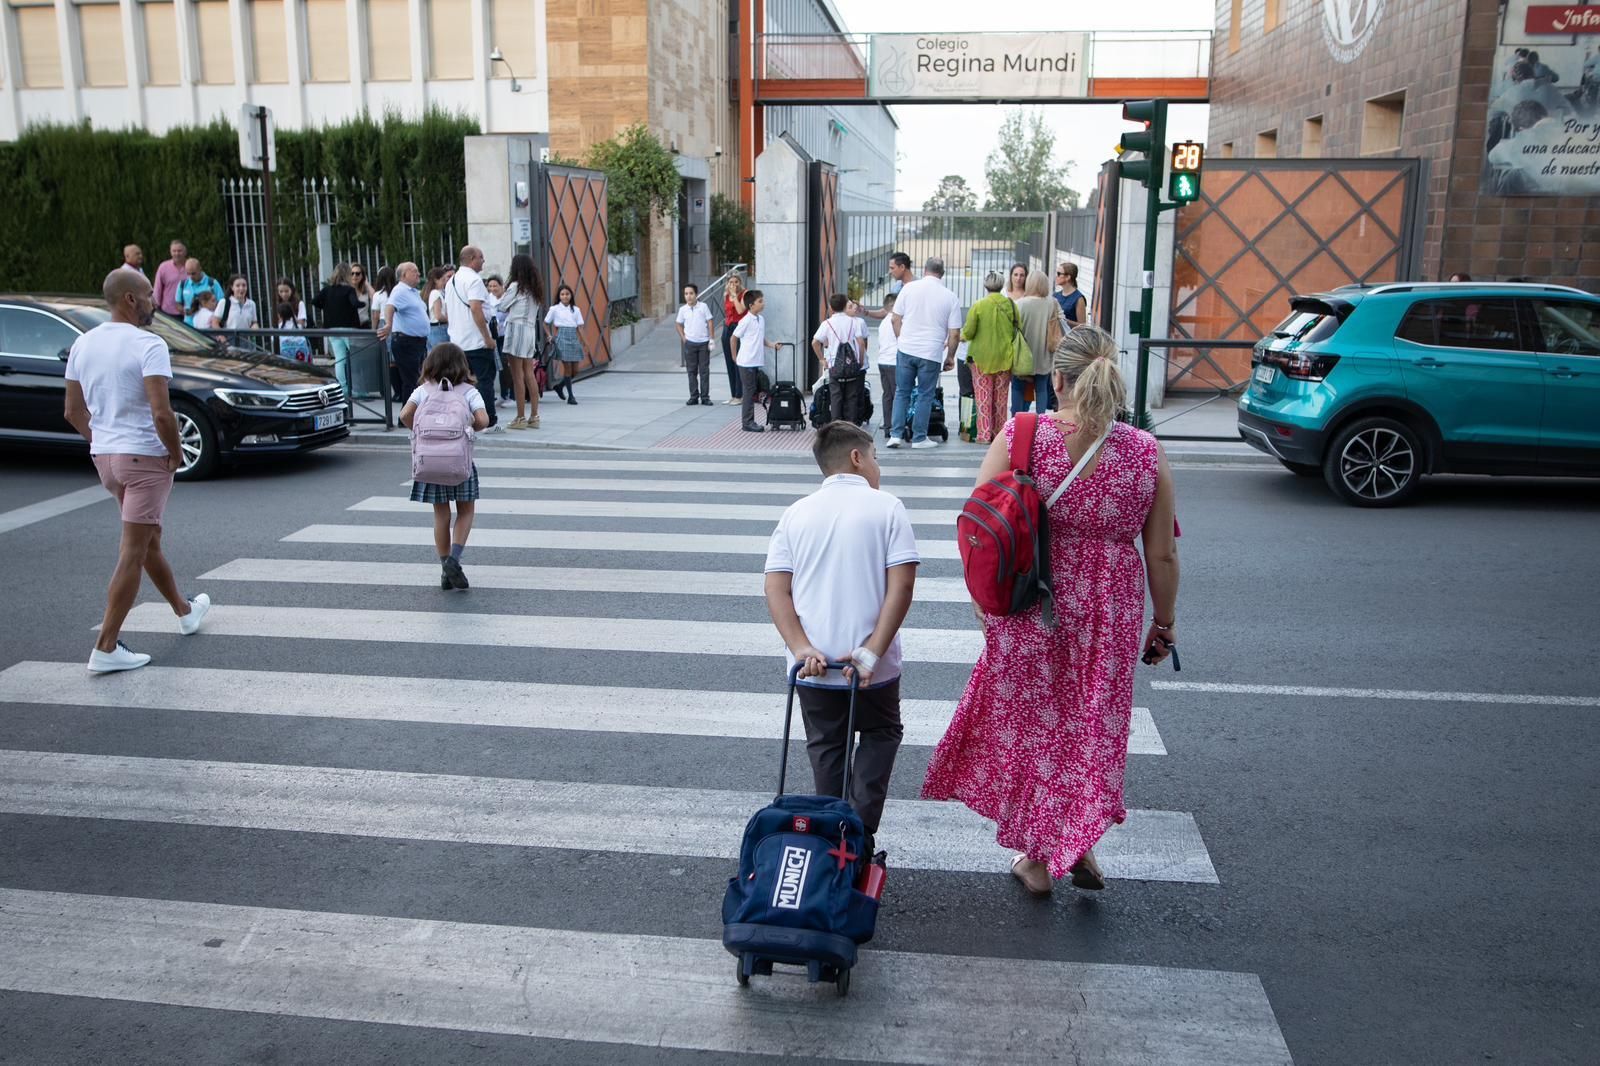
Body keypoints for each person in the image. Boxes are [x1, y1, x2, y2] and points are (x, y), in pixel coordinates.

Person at [922, 324, 1180, 896]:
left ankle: (1039, 859)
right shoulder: (1145, 452)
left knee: (1037, 726)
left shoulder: (1023, 433)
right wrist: (1164, 624)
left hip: (1030, 602)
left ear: (1057, 379)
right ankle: (1077, 839)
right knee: (1091, 725)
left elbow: (978, 526)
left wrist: (982, 603)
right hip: (1110, 610)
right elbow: (1160, 553)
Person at [764, 420, 919, 856]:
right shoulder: (887, 507)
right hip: (872, 670)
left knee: (827, 745)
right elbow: (901, 588)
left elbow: (777, 588)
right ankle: (859, 831)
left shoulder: (795, 513)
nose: (877, 467)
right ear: (857, 457)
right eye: (875, 457)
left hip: (812, 669)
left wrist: (801, 647)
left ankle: (830, 832)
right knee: (881, 731)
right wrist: (870, 651)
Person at [62, 269, 210, 674]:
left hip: (106, 459)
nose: (155, 302)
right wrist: (176, 452)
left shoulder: (83, 343)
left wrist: (104, 439)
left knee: (147, 541)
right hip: (144, 458)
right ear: (129, 299)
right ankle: (105, 646)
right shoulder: (149, 344)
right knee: (133, 550)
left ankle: (184, 611)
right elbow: (163, 413)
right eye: (148, 294)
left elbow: (73, 412)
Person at [399, 343, 491, 591]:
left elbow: (405, 415)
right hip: (459, 463)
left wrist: (421, 432)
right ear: (462, 365)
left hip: (430, 462)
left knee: (441, 515)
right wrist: (468, 427)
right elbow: (483, 419)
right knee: (466, 511)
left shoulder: (422, 391)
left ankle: (444, 569)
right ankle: (454, 560)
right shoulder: (468, 392)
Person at [888, 257, 961, 450]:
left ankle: (895, 435)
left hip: (906, 349)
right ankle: (919, 438)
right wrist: (950, 357)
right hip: (931, 353)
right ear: (942, 273)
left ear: (925, 269)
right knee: (925, 395)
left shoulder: (909, 289)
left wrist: (901, 340)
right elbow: (954, 333)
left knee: (901, 392)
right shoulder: (950, 297)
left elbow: (895, 319)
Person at [444, 246, 502, 431]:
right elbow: (476, 308)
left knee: (461, 382)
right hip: (476, 341)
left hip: (457, 341)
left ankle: (462, 419)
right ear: (471, 259)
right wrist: (487, 337)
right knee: (484, 381)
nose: (484, 261)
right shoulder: (474, 280)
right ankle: (488, 422)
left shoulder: (452, 280)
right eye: (481, 257)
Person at [961, 271, 1019, 444]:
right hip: (1005, 358)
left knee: (983, 398)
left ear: (985, 285)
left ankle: (984, 435)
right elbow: (1019, 327)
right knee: (1001, 401)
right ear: (1002, 285)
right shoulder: (1011, 305)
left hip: (981, 358)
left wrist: (959, 337)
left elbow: (969, 331)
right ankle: (999, 435)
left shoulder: (978, 305)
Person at [496, 253, 545, 429]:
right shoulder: (534, 288)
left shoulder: (516, 286)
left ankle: (520, 417)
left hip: (516, 330)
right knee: (529, 373)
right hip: (530, 331)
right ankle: (534, 416)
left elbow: (501, 307)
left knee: (517, 375)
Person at [1013, 269, 1064, 416]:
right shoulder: (1052, 303)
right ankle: (1041, 418)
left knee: (1018, 388)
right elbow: (1062, 320)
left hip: (1022, 356)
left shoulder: (1020, 304)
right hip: (1044, 354)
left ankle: (1017, 419)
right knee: (1041, 388)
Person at [813, 293, 869, 425]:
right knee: (852, 397)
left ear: (831, 308)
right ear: (845, 306)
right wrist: (860, 360)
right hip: (851, 365)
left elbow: (814, 342)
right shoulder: (854, 322)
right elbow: (861, 343)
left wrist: (822, 359)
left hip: (834, 366)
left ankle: (836, 427)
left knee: (836, 397)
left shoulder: (827, 323)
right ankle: (851, 426)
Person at [381, 262, 431, 406]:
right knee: (411, 381)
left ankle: (413, 413)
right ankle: (407, 416)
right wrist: (389, 324)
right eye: (414, 271)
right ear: (404, 275)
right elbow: (390, 307)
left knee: (416, 380)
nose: (418, 274)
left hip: (417, 342)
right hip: (406, 342)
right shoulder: (400, 291)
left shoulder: (412, 292)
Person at [731, 288, 780, 432]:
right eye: (760, 301)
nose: (763, 303)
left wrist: (772, 345)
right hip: (746, 362)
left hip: (754, 361)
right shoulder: (745, 321)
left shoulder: (761, 319)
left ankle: (749, 421)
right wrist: (734, 356)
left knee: (751, 391)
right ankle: (747, 423)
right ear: (751, 305)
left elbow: (760, 338)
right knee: (749, 391)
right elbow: (733, 338)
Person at [313, 263, 362, 398]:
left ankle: (343, 388)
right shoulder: (349, 290)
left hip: (332, 328)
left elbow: (314, 301)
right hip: (348, 328)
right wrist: (362, 304)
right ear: (347, 275)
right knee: (355, 358)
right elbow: (355, 303)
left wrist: (327, 306)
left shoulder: (327, 290)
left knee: (340, 359)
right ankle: (358, 389)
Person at [544, 282, 586, 405]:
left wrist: (585, 343)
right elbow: (545, 323)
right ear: (559, 296)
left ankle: (559, 386)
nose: (565, 296)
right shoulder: (554, 309)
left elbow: (580, 327)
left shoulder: (576, 310)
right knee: (567, 368)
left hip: (573, 338)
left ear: (571, 295)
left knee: (575, 371)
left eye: (567, 294)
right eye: (562, 294)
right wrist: (549, 336)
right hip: (561, 337)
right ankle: (571, 397)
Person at [677, 283, 716, 406]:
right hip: (690, 344)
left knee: (704, 371)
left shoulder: (703, 307)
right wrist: (684, 338)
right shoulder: (682, 310)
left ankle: (705, 397)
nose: (688, 296)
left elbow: (710, 321)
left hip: (703, 343)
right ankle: (693, 396)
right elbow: (678, 324)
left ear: (696, 294)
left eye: (691, 293)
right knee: (691, 371)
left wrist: (711, 338)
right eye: (686, 294)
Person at [874, 292, 898, 440]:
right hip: (894, 362)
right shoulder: (895, 321)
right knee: (898, 396)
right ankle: (896, 426)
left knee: (887, 395)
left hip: (883, 361)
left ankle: (888, 425)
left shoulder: (883, 323)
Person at [721, 274, 748, 404]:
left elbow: (740, 310)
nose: (734, 284)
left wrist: (735, 296)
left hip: (738, 327)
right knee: (729, 361)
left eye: (736, 282)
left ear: (740, 283)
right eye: (731, 282)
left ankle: (740, 395)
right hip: (727, 327)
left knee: (737, 359)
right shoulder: (726, 295)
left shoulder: (744, 294)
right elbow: (726, 312)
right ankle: (733, 394)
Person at [175, 259, 224, 326]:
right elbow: (178, 304)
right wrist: (185, 311)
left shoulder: (212, 283)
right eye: (188, 273)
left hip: (208, 325)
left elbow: (221, 303)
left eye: (193, 273)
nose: (191, 276)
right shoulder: (183, 284)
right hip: (188, 324)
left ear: (200, 269)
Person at [153, 240, 188, 317]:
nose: (177, 254)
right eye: (174, 251)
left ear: (185, 252)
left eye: (179, 251)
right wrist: (155, 307)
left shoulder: (191, 266)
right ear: (170, 252)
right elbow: (157, 288)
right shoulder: (163, 267)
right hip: (168, 312)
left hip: (188, 311)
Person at [426, 266, 453, 348]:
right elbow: (438, 315)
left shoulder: (441, 292)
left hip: (438, 328)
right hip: (439, 328)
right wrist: (451, 319)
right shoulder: (435, 293)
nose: (445, 282)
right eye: (443, 280)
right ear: (435, 280)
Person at [1054, 262, 1086, 328]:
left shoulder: (1079, 299)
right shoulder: (1055, 296)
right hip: (1056, 336)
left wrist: (1064, 320)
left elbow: (1082, 326)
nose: (1056, 276)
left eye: (1059, 274)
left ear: (1068, 277)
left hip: (1070, 336)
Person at [350, 263, 375, 329]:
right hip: (350, 326)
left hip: (364, 325)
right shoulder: (346, 290)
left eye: (357, 273)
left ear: (362, 276)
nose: (354, 276)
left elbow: (375, 298)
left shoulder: (366, 290)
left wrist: (366, 282)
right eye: (352, 273)